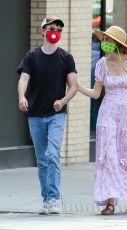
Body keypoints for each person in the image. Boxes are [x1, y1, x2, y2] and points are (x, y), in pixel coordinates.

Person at [78, 26, 127, 215]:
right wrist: (77, 87)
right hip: (107, 115)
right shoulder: (102, 64)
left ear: (117, 43)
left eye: (108, 40)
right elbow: (96, 93)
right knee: (109, 157)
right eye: (104, 40)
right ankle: (110, 201)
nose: (105, 44)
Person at [17, 16, 77, 214]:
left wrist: (63, 101)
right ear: (43, 31)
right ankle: (47, 199)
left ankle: (55, 198)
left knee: (52, 155)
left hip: (56, 115)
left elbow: (73, 86)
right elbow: (24, 78)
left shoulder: (66, 58)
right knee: (42, 160)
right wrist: (22, 97)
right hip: (35, 115)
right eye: (52, 28)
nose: (56, 32)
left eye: (59, 29)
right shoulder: (32, 56)